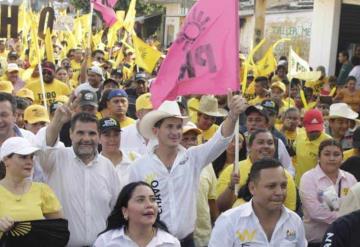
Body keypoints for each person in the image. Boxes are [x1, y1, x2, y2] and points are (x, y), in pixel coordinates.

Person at [129, 92, 247, 247]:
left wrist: (232, 115)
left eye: (178, 126)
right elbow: (132, 207)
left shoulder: (192, 158)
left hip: (187, 241)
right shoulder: (139, 166)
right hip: (152, 242)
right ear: (156, 131)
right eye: (169, 126)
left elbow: (220, 141)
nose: (176, 132)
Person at [35, 109, 121, 246]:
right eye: (80, 133)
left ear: (99, 136)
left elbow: (116, 209)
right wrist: (57, 120)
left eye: (92, 133)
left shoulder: (107, 166)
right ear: (70, 134)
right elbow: (44, 146)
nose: (86, 139)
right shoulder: (55, 159)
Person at [209, 158, 307, 247]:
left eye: (283, 185)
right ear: (252, 188)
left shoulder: (295, 221)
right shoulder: (229, 221)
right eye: (271, 186)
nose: (279, 192)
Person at [216, 129, 297, 212]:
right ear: (249, 147)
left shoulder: (285, 176)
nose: (266, 146)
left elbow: (289, 212)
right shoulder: (233, 170)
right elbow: (220, 207)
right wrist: (231, 186)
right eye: (260, 142)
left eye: (270, 143)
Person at [299, 139, 357, 246]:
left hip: (345, 240)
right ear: (319, 157)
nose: (332, 158)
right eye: (327, 154)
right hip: (316, 241)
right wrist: (345, 220)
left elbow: (356, 207)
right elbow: (315, 212)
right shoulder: (309, 178)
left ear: (342, 158)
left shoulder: (350, 178)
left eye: (336, 154)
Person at [0, 137, 63, 233]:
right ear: (6, 160)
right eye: (23, 157)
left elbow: (60, 229)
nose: (29, 162)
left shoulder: (42, 190)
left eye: (31, 157)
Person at [94, 182, 180, 247]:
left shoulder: (170, 243)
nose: (149, 205)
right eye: (140, 200)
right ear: (125, 211)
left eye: (153, 199)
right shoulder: (105, 242)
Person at [180, 122, 218, 247]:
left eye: (193, 138)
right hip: (180, 237)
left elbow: (211, 199)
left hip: (203, 236)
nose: (190, 142)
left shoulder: (207, 164)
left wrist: (217, 225)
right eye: (185, 139)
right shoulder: (170, 166)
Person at [293, 109, 331, 186]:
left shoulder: (329, 142)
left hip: (319, 188)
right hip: (298, 185)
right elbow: (294, 149)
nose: (315, 132)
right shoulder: (299, 137)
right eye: (311, 130)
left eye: (317, 129)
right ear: (304, 125)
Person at [99, 117, 139, 190]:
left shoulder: (135, 158)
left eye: (116, 135)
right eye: (107, 135)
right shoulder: (94, 165)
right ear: (99, 139)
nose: (112, 139)